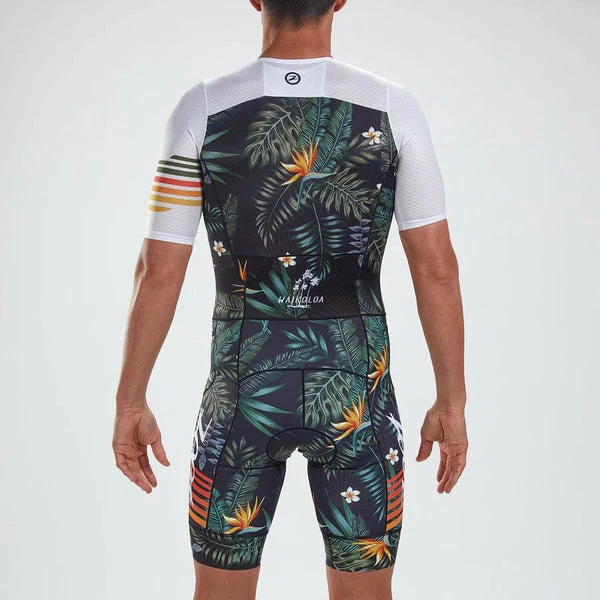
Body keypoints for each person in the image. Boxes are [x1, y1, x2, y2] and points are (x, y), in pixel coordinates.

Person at [112, 1, 468, 598]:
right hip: (357, 393)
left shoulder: (202, 108)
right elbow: (436, 270)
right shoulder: (392, 107)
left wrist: (130, 402)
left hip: (242, 393)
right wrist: (451, 402)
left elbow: (157, 270)